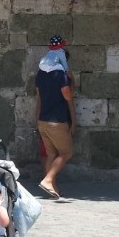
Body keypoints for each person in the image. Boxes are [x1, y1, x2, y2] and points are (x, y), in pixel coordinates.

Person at [35, 43, 76, 200]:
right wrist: (70, 79)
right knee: (67, 152)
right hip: (57, 121)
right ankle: (47, 180)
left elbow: (39, 97)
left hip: (43, 121)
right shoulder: (60, 75)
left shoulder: (40, 74)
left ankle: (53, 189)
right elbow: (68, 96)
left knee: (51, 153)